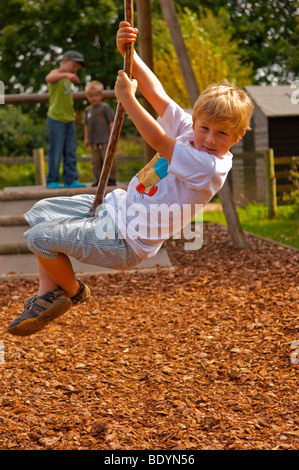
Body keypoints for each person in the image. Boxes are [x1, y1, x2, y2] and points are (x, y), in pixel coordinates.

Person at [7, 22, 254, 337]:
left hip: (125, 240)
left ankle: (72, 290)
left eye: (222, 134)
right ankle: (47, 294)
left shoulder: (210, 166)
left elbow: (160, 142)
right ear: (196, 118)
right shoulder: (191, 131)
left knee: (39, 238)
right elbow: (156, 93)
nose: (208, 138)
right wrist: (129, 53)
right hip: (115, 208)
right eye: (204, 127)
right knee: (41, 211)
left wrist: (127, 101)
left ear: (238, 136)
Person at [45, 50, 86, 189]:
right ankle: (52, 180)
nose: (75, 70)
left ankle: (70, 179)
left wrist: (69, 75)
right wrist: (67, 74)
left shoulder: (67, 79)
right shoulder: (56, 75)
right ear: (64, 61)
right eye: (74, 66)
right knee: (56, 151)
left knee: (70, 151)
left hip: (69, 119)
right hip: (56, 119)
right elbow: (48, 79)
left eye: (77, 69)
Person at [83, 81, 117, 187]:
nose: (94, 98)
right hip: (93, 140)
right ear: (87, 97)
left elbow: (111, 122)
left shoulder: (105, 107)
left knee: (108, 159)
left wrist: (112, 135)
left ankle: (111, 178)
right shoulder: (87, 110)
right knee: (95, 161)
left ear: (101, 96)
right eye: (91, 96)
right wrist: (86, 138)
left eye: (96, 96)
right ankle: (98, 179)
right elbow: (86, 125)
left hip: (105, 139)